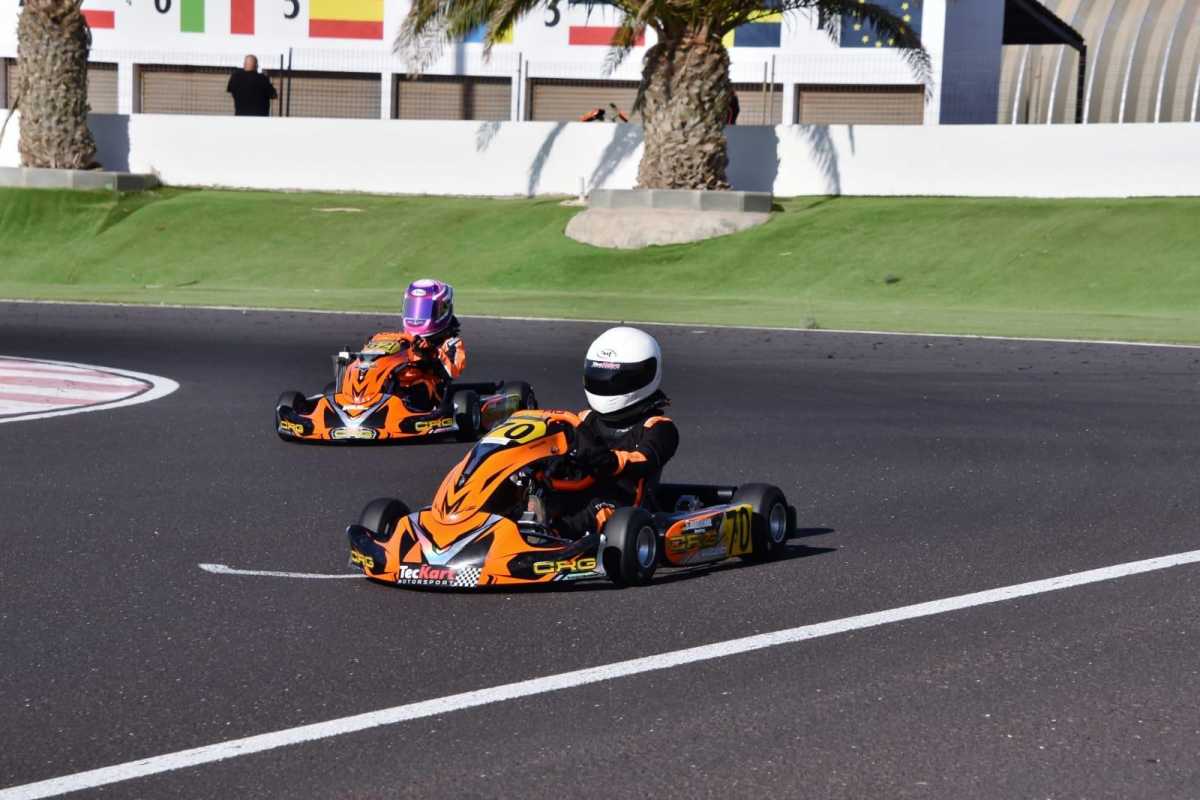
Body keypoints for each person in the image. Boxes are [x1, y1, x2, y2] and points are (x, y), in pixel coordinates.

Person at [552, 326, 680, 539]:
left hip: (623, 504)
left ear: (643, 375)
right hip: (575, 490)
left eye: (614, 377)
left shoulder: (659, 427)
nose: (605, 382)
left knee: (595, 508)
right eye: (599, 374)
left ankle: (549, 535)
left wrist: (611, 461)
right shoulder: (582, 420)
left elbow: (645, 460)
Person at [361, 279, 466, 410]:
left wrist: (429, 354)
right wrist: (375, 343)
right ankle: (357, 399)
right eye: (414, 308)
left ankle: (400, 409)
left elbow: (451, 373)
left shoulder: (451, 343)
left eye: (424, 310)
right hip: (396, 383)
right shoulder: (406, 339)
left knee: (419, 388)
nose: (417, 315)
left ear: (443, 310)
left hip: (428, 391)